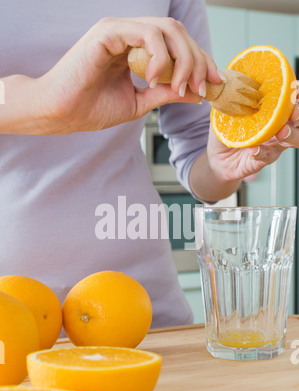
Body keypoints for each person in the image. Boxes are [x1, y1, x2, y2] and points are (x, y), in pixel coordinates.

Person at [0, 1, 298, 328]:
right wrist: (44, 100)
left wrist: (218, 166)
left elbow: (197, 148)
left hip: (140, 307)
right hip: (12, 310)